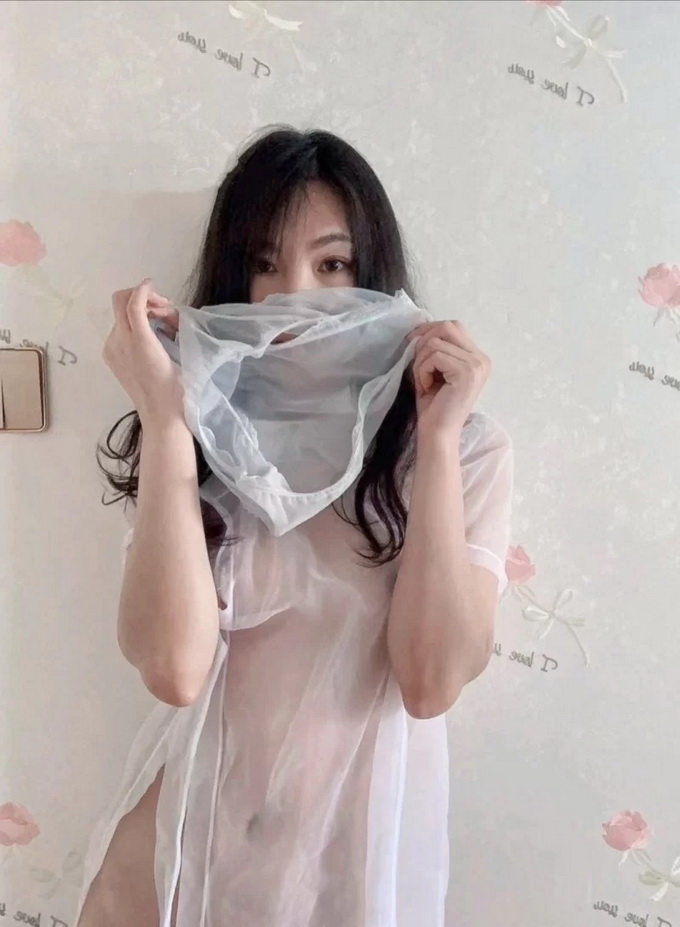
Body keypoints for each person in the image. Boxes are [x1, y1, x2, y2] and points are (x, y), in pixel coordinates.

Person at [76, 126, 513, 927]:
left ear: (372, 272)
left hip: (336, 890)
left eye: (332, 264)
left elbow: (430, 680)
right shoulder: (199, 439)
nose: (293, 298)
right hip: (170, 875)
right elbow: (174, 669)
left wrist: (439, 442)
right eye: (264, 262)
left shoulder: (458, 449)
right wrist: (168, 421)